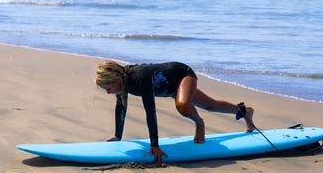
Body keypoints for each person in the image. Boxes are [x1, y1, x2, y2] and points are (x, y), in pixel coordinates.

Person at [94, 60, 255, 164]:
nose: (108, 92)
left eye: (108, 88)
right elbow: (121, 108)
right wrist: (118, 136)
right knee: (210, 105)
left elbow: (150, 110)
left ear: (115, 79)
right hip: (171, 88)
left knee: (183, 106)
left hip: (182, 75)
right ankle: (245, 111)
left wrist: (154, 145)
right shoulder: (123, 84)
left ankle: (200, 123)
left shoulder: (138, 77)